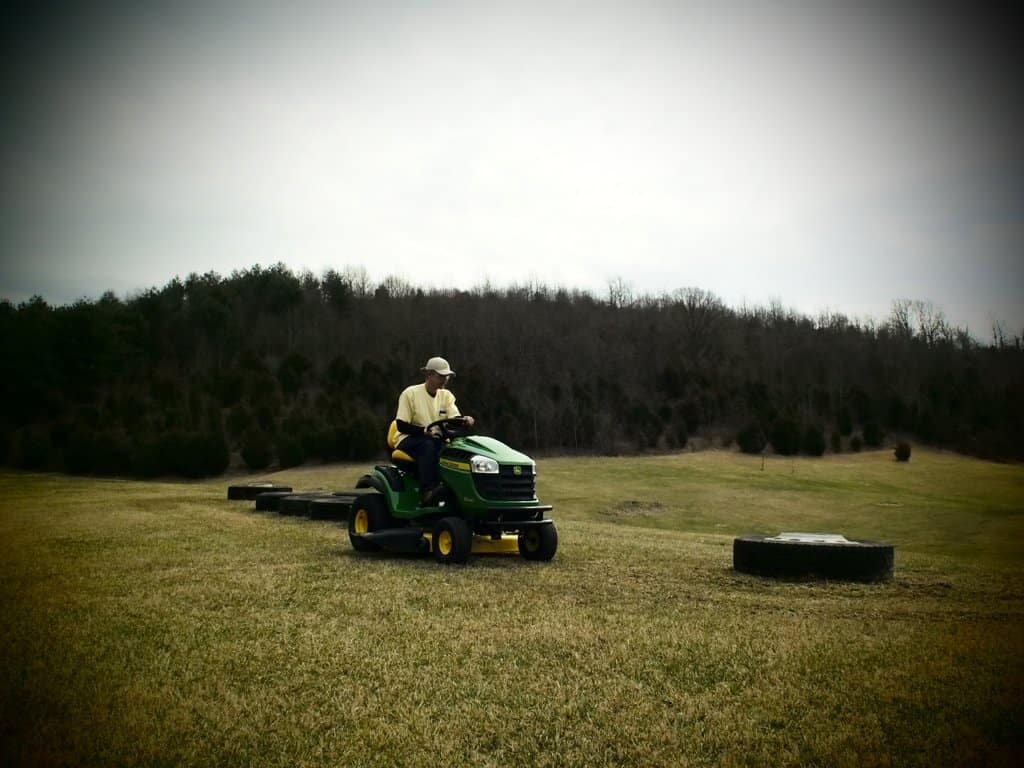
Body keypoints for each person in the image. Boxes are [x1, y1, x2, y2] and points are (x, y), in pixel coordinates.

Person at [393, 356, 475, 505]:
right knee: (428, 446)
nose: (445, 380)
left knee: (455, 450)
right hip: (408, 438)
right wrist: (422, 431)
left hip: (434, 439)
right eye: (441, 376)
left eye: (447, 377)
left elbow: (454, 418)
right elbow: (401, 425)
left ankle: (459, 492)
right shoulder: (410, 394)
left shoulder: (447, 395)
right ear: (429, 374)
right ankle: (428, 491)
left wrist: (465, 420)